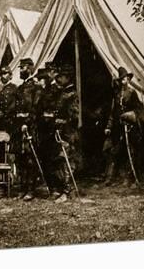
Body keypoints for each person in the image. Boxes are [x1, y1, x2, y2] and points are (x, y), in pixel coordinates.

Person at [103, 66, 142, 187]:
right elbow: (112, 112)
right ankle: (112, 177)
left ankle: (131, 178)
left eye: (124, 79)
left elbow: (138, 109)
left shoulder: (132, 93)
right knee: (114, 151)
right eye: (121, 80)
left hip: (130, 127)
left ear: (128, 80)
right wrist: (109, 126)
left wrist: (130, 115)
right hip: (118, 127)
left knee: (130, 151)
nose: (122, 81)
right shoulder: (116, 94)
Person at [12, 58, 42, 201]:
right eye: (20, 68)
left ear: (30, 68)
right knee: (20, 159)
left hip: (30, 128)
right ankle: (22, 188)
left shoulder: (36, 88)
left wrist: (27, 122)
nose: (21, 70)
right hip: (19, 127)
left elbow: (36, 109)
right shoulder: (21, 87)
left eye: (23, 68)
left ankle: (31, 189)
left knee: (30, 159)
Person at [53, 64, 81, 203]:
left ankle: (67, 191)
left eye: (61, 77)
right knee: (62, 161)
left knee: (67, 161)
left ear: (67, 78)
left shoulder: (72, 94)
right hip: (62, 132)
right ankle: (66, 189)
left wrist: (62, 121)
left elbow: (75, 116)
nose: (59, 79)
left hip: (69, 133)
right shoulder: (63, 92)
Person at [35, 66, 62, 199]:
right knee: (45, 160)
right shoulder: (43, 91)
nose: (38, 82)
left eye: (40, 79)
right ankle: (52, 188)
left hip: (51, 129)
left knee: (52, 160)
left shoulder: (55, 90)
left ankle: (57, 189)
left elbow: (56, 109)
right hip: (43, 130)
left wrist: (49, 116)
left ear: (45, 80)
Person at [0, 65, 17, 164]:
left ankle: (11, 173)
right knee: (1, 148)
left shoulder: (15, 89)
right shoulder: (1, 90)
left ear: (10, 76)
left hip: (10, 123)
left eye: (5, 74)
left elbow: (15, 106)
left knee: (10, 148)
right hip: (2, 124)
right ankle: (3, 173)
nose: (2, 76)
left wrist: (5, 113)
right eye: (1, 74)